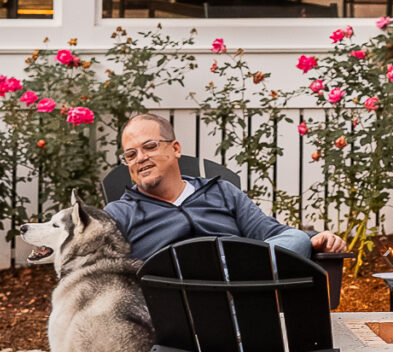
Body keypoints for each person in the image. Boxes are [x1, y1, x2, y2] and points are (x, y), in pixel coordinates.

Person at [109, 111, 345, 267]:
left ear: (176, 149)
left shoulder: (221, 192)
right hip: (173, 299)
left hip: (238, 288)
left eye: (149, 147)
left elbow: (270, 233)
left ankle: (228, 275)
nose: (140, 158)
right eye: (131, 154)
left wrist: (313, 238)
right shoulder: (119, 213)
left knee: (295, 239)